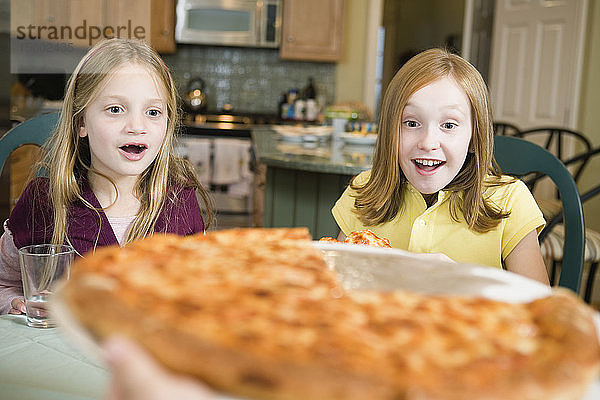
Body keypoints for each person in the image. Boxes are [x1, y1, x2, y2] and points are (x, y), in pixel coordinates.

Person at [0, 38, 215, 314]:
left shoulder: (181, 203)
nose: (136, 127)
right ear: (81, 122)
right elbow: (4, 284)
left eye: (153, 112)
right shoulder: (43, 201)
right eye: (115, 109)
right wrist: (16, 304)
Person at [332, 48, 549, 285]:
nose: (428, 143)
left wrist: (463, 284)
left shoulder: (509, 200)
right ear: (390, 131)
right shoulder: (364, 191)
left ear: (475, 137)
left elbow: (540, 311)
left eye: (448, 125)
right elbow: (335, 287)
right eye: (412, 123)